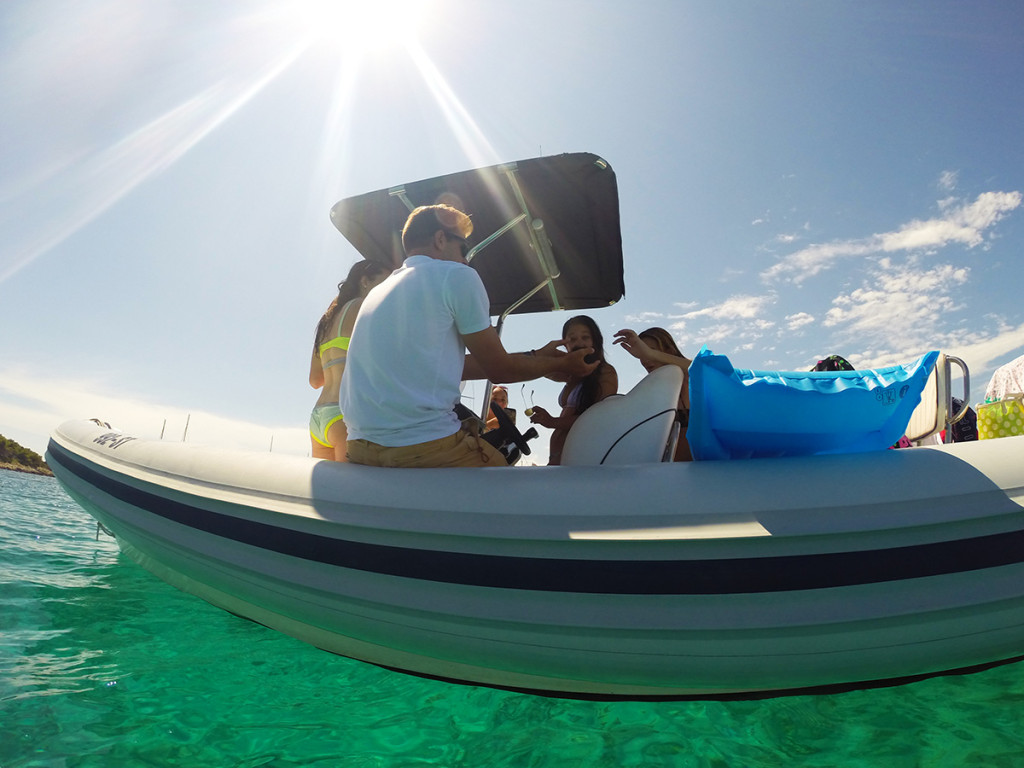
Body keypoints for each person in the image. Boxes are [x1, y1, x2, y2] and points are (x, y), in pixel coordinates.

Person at [338, 204, 599, 468]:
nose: (467, 259)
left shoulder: (379, 291)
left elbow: (457, 367)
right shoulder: (457, 275)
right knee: (519, 492)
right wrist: (563, 364)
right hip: (423, 446)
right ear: (440, 239)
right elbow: (500, 371)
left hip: (360, 447)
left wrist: (534, 356)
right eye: (464, 249)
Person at [308, 259, 390, 461]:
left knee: (327, 491)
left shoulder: (327, 320)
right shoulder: (365, 308)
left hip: (319, 417)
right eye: (385, 283)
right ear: (365, 281)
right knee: (350, 491)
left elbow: (315, 380)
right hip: (345, 417)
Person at [529, 315, 618, 465]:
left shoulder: (606, 372)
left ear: (595, 340)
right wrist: (542, 353)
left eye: (585, 337)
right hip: (559, 457)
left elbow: (596, 418)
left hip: (584, 458)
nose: (579, 343)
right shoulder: (567, 372)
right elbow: (530, 367)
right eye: (572, 339)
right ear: (565, 343)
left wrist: (552, 421)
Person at [613, 326, 693, 461]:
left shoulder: (691, 379)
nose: (644, 359)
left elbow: (702, 368)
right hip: (667, 473)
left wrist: (649, 353)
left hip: (704, 469)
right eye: (640, 354)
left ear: (669, 350)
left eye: (650, 351)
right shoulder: (651, 391)